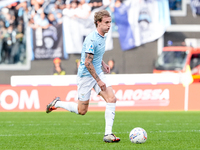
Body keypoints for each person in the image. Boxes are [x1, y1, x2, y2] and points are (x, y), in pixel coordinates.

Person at [46, 9, 120, 143]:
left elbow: (94, 55)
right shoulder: (92, 39)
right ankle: (57, 103)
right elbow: (87, 62)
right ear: (98, 23)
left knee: (112, 99)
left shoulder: (103, 35)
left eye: (110, 22)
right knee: (82, 111)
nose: (109, 25)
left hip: (97, 72)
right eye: (106, 22)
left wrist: (103, 63)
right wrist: (98, 81)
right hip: (86, 76)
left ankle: (108, 134)